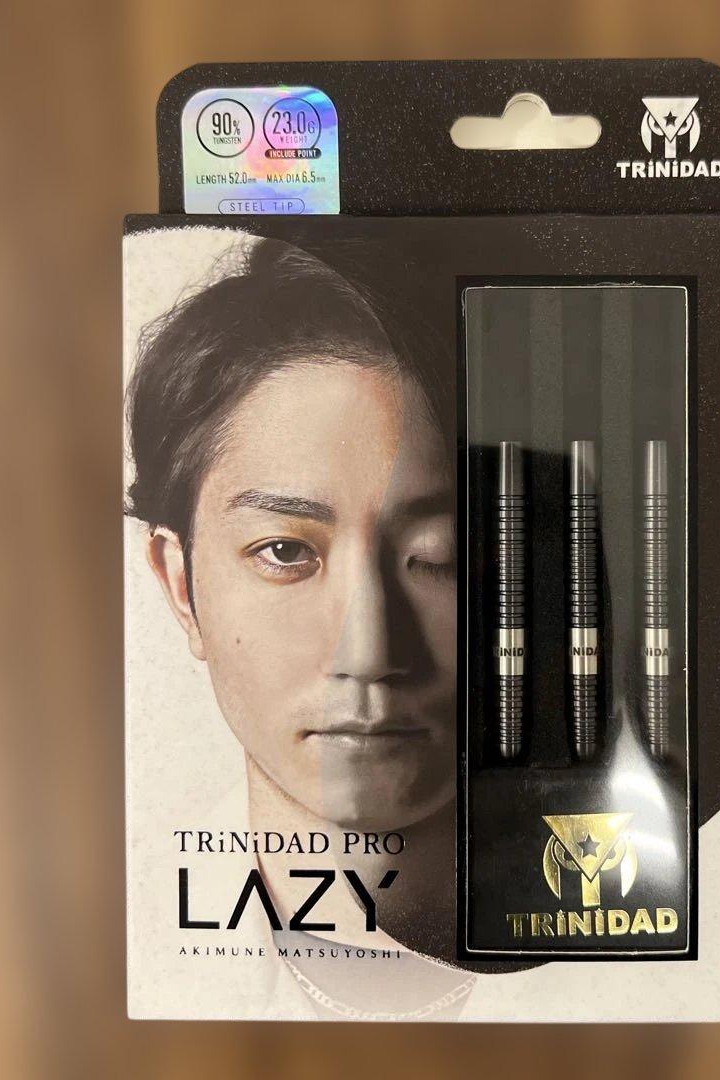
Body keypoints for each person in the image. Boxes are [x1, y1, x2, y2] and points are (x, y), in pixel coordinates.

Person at [126, 234, 468, 1016]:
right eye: (284, 551)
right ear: (180, 586)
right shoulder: (89, 955)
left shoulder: (686, 953)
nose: (368, 651)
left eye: (443, 556)